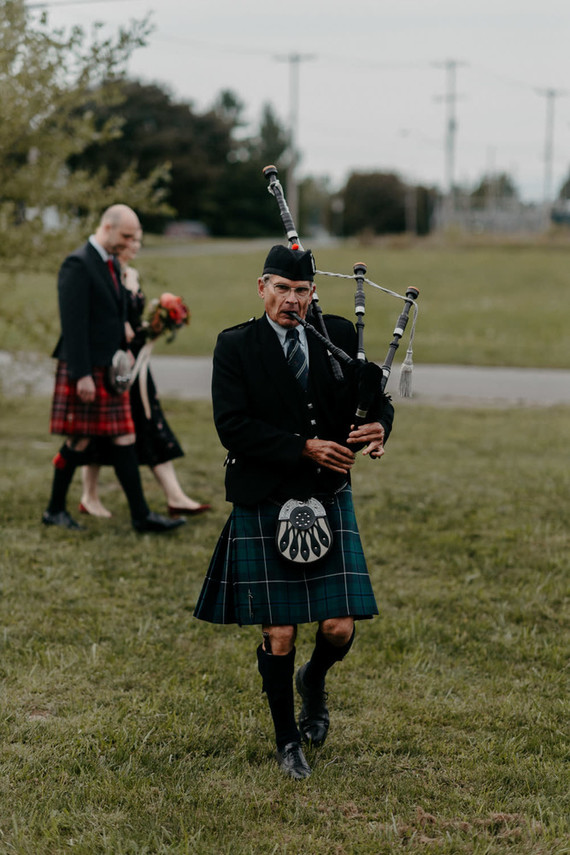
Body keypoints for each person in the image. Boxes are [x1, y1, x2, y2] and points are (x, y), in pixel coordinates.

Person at [194, 244, 394, 780]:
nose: (292, 300)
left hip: (327, 495)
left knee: (338, 627)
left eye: (301, 290)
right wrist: (303, 447)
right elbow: (231, 426)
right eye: (281, 289)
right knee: (279, 631)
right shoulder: (235, 345)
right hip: (266, 494)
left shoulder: (337, 337)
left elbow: (374, 398)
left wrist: (379, 428)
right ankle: (287, 741)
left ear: (313, 292)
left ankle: (315, 681)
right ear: (262, 288)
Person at [42, 204, 186, 534]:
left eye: (134, 237)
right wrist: (81, 375)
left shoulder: (108, 263)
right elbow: (73, 324)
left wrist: (123, 338)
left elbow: (111, 310)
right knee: (78, 441)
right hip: (87, 367)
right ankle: (54, 509)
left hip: (109, 365)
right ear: (107, 227)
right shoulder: (78, 263)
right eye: (126, 236)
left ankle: (141, 516)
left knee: (125, 435)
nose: (129, 242)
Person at [78, 229, 211, 519]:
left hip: (135, 360)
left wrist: (156, 325)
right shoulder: (106, 274)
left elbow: (131, 321)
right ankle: (89, 495)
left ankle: (174, 495)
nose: (135, 246)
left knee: (149, 422)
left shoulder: (132, 273)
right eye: (130, 240)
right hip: (115, 364)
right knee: (100, 430)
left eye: (138, 241)